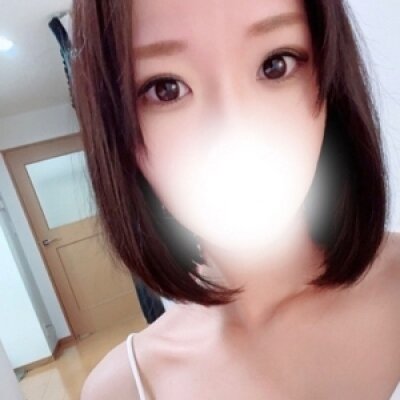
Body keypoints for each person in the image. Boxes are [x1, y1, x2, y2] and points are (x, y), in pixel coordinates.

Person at [71, 0, 400, 398]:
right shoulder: (123, 388)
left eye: (276, 64)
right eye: (166, 88)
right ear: (117, 130)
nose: (235, 130)